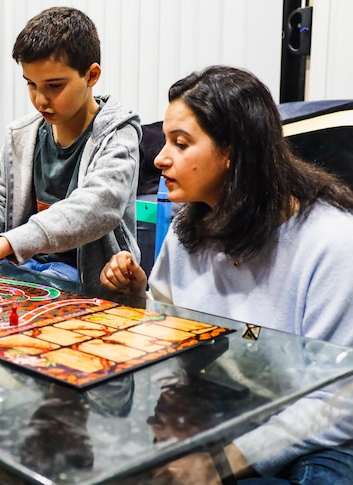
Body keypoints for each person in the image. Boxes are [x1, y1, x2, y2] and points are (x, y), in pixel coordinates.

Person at [101, 65, 353, 484]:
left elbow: (339, 402)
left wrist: (223, 461)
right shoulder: (188, 231)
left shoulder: (333, 242)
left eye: (181, 143)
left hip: (312, 441)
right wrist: (137, 302)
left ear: (234, 151)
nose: (160, 158)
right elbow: (170, 343)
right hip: (221, 418)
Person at [0, 6, 141, 288]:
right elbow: (4, 204)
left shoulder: (117, 134)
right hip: (24, 268)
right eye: (31, 84)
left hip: (85, 281)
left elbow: (96, 207)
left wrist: (4, 244)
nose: (41, 99)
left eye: (54, 86)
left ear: (92, 76)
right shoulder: (23, 134)